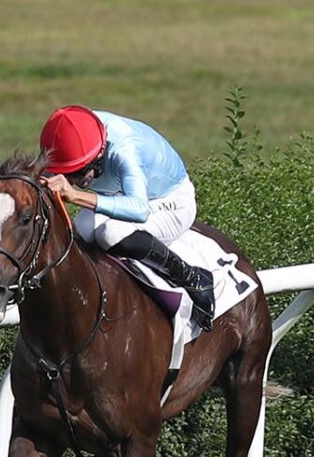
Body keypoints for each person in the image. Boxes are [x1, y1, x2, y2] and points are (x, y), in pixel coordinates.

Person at [38, 105, 215, 331]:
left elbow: (138, 210)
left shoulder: (124, 147)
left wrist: (75, 196)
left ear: (100, 153)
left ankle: (193, 278)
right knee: (80, 228)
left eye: (80, 171)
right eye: (67, 173)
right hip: (120, 194)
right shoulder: (74, 135)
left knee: (112, 233)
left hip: (170, 202)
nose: (74, 179)